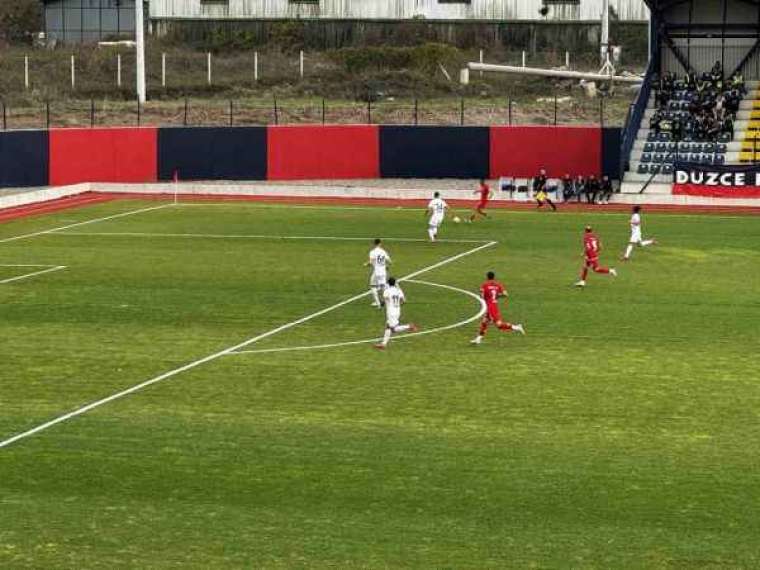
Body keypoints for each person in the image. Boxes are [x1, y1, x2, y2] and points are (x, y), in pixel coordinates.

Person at [470, 271, 525, 345]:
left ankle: (517, 327)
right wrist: (496, 296)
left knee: (499, 325)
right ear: (493, 277)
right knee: (484, 322)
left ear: (487, 277)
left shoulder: (484, 285)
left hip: (490, 307)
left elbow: (481, 295)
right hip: (494, 305)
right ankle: (478, 339)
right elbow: (505, 294)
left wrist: (485, 297)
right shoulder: (498, 285)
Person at [374, 277, 418, 350]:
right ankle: (383, 344)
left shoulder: (387, 291)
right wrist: (397, 305)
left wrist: (381, 305)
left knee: (393, 329)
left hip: (391, 312)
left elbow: (384, 300)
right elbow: (404, 301)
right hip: (397, 310)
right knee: (388, 327)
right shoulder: (398, 290)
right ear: (395, 283)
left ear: (388, 283)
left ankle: (409, 326)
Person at [364, 238, 391, 309]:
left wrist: (366, 264)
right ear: (380, 243)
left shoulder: (372, 252)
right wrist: (386, 265)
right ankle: (387, 301)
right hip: (383, 272)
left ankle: (378, 303)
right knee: (383, 287)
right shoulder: (383, 251)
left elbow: (371, 262)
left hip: (377, 272)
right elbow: (389, 261)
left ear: (374, 244)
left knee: (373, 286)